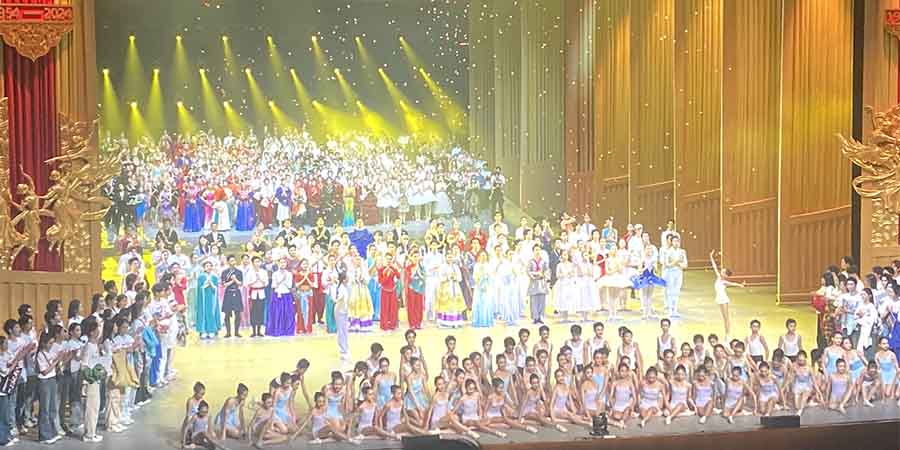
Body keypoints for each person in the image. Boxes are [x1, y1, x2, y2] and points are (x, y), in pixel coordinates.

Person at [710, 250, 745, 338]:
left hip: (724, 299)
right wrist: (711, 257)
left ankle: (728, 333)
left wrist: (741, 285)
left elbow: (733, 284)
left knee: (726, 317)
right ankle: (727, 332)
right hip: (719, 299)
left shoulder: (724, 282)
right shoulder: (718, 277)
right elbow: (714, 267)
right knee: (723, 317)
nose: (721, 271)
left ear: (725, 274)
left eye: (723, 271)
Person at [661, 236, 687, 317]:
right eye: (674, 241)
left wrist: (677, 263)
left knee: (676, 291)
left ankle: (675, 309)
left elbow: (685, 265)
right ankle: (670, 310)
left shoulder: (682, 252)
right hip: (670, 273)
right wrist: (677, 261)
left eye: (677, 241)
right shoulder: (668, 252)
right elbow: (667, 264)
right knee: (670, 291)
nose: (676, 243)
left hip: (679, 272)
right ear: (671, 242)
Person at [195, 261, 221, 340]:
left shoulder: (215, 277)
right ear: (204, 268)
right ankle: (203, 330)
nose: (209, 267)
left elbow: (216, 288)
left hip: (212, 298)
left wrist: (211, 284)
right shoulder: (201, 277)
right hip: (203, 299)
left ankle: (212, 330)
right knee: (203, 313)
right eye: (207, 266)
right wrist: (206, 284)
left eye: (210, 266)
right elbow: (200, 288)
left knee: (211, 313)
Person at [221, 256, 243, 338]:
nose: (233, 262)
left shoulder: (239, 272)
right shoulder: (224, 272)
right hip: (228, 293)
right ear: (228, 262)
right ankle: (228, 332)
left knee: (238, 313)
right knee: (227, 314)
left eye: (234, 260)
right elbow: (224, 285)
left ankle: (237, 332)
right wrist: (232, 280)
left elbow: (240, 284)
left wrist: (235, 279)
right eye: (231, 260)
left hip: (237, 292)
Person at [526, 245, 550, 325]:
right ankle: (535, 317)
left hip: (542, 282)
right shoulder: (530, 261)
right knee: (533, 301)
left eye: (539, 250)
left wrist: (544, 276)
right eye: (536, 250)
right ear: (533, 251)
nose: (537, 251)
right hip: (534, 282)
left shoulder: (543, 261)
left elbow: (547, 270)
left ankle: (540, 317)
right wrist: (534, 275)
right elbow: (528, 271)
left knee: (542, 300)